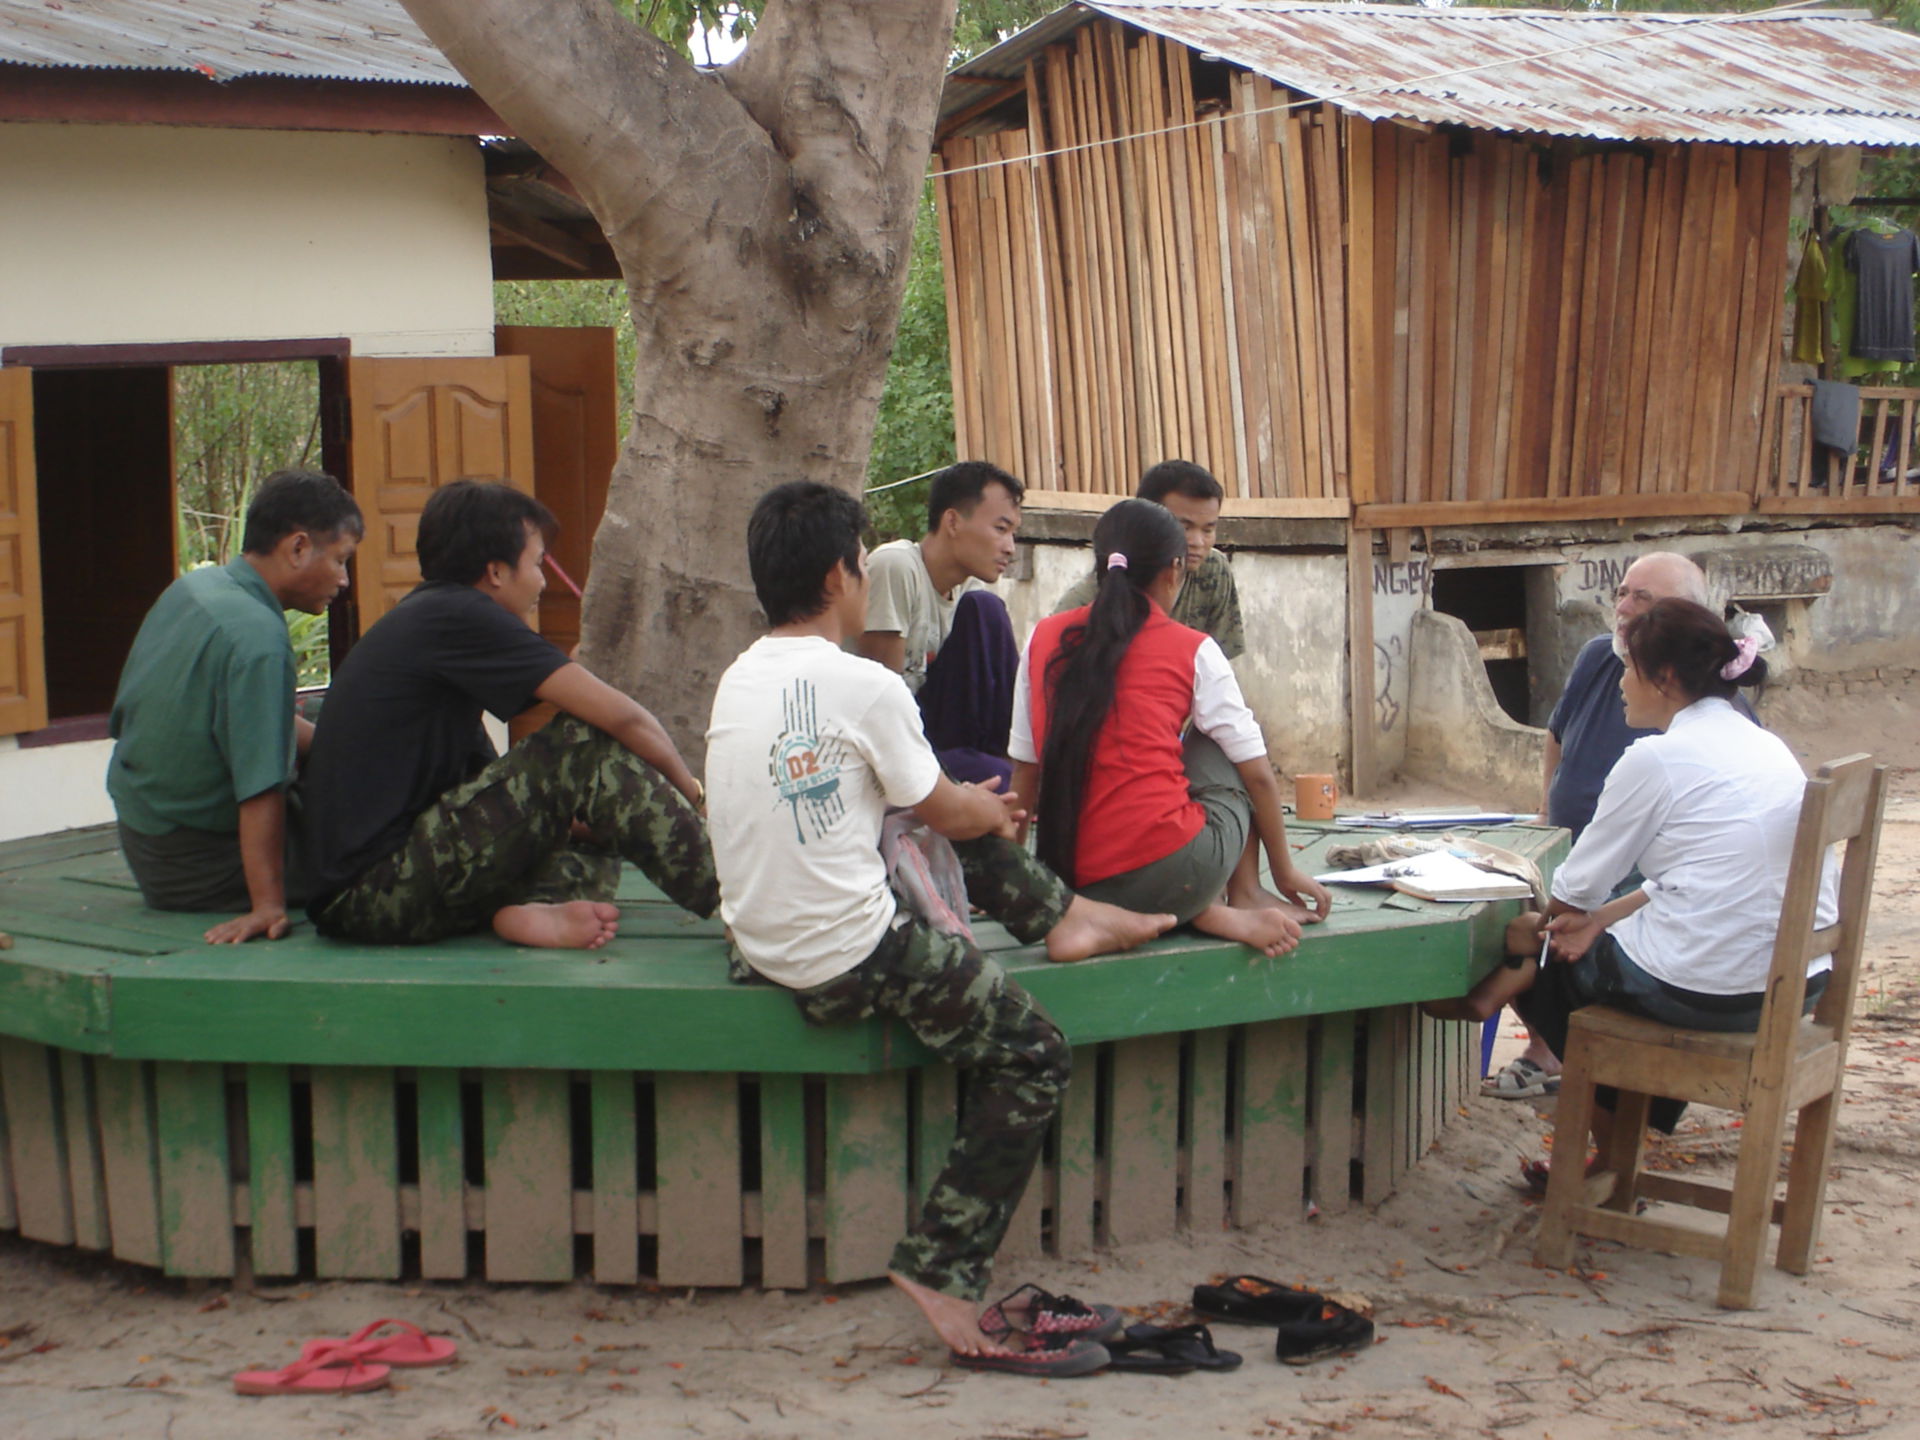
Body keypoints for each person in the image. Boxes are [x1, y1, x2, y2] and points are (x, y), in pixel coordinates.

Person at [707, 481, 1169, 1373]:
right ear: (846, 575)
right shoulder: (862, 683)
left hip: (756, 938)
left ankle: (1066, 916)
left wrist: (967, 810)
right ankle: (943, 1267)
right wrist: (987, 814)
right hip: (847, 953)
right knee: (1035, 1050)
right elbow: (944, 814)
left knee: (954, 808)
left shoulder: (740, 675)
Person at [1423, 599, 1835, 1165]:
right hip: (1798, 983)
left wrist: (1540, 930)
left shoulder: (1658, 759)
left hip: (1715, 990)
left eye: (1627, 668)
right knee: (1580, 938)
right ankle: (1620, 1132)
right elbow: (1691, 881)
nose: (1618, 682)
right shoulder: (1763, 745)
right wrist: (1596, 921)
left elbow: (1575, 888)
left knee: (1551, 965)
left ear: (1663, 679)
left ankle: (1614, 1155)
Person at [300, 480, 716, 949]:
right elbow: (625, 720)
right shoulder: (460, 615)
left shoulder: (433, 621)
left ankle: (526, 909)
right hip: (371, 895)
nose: (544, 581)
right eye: (538, 564)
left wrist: (577, 818)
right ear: (495, 572)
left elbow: (485, 789)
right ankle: (733, 893)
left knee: (588, 828)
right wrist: (696, 799)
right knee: (583, 742)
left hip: (379, 893)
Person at [1011, 499, 1332, 957]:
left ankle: (1177, 915)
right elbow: (1258, 775)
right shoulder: (1193, 648)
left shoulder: (1044, 637)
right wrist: (1283, 872)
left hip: (1073, 882)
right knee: (1219, 740)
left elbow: (1025, 770)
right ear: (1174, 571)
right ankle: (1240, 895)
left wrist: (1021, 880)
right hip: (1176, 871)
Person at [1484, 550, 1717, 1101]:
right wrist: (1547, 810)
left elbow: (1581, 900)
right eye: (1622, 594)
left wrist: (1518, 956)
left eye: (1644, 598)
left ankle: (1592, 1076)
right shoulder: (1600, 659)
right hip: (1600, 866)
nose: (1624, 609)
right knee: (1529, 921)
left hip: (1662, 917)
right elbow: (1557, 735)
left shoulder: (1663, 749)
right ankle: (1594, 1091)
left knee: (1530, 939)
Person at [107, 469, 362, 945]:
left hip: (146, 835)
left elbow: (245, 718)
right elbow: (260, 786)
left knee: (346, 713)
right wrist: (266, 905)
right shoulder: (259, 641)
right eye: (342, 560)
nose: (345, 581)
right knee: (378, 833)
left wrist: (334, 740)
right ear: (299, 547)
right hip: (199, 864)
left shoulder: (196, 589)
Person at [858, 461, 1024, 786]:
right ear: (952, 521)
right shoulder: (897, 567)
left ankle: (1012, 768)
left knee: (986, 608)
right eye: (1001, 529)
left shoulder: (968, 592)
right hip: (882, 750)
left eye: (1013, 533)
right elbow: (881, 708)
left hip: (933, 740)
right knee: (1000, 783)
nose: (1010, 547)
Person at [1052, 460, 1245, 659]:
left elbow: (1221, 664)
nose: (1197, 542)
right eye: (1184, 528)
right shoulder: (1091, 597)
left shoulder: (1214, 569)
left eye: (1208, 530)